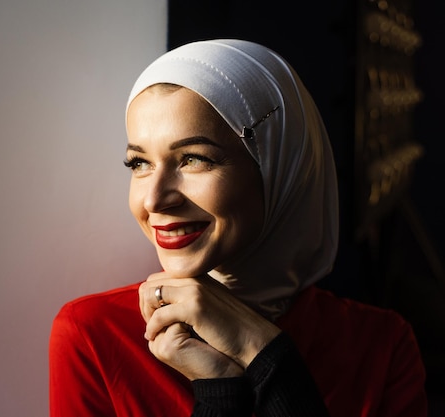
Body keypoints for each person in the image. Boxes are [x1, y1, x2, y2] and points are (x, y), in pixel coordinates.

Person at [49, 39, 428, 416]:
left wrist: (262, 351)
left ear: (280, 168)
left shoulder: (381, 346)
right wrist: (219, 392)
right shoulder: (94, 336)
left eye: (193, 159)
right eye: (139, 163)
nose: (154, 200)